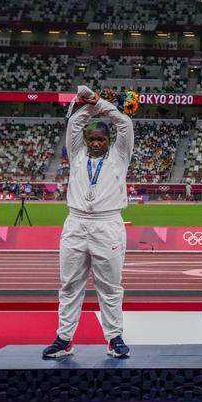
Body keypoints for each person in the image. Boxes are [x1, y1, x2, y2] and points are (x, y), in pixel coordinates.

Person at [42, 86, 134, 360]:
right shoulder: (77, 154)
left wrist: (99, 102)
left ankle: (114, 337)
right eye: (91, 139)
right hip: (76, 223)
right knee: (69, 285)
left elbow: (124, 123)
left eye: (101, 139)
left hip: (107, 224)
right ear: (85, 140)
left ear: (109, 140)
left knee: (110, 287)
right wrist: (92, 103)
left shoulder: (120, 156)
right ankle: (64, 338)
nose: (95, 144)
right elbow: (74, 122)